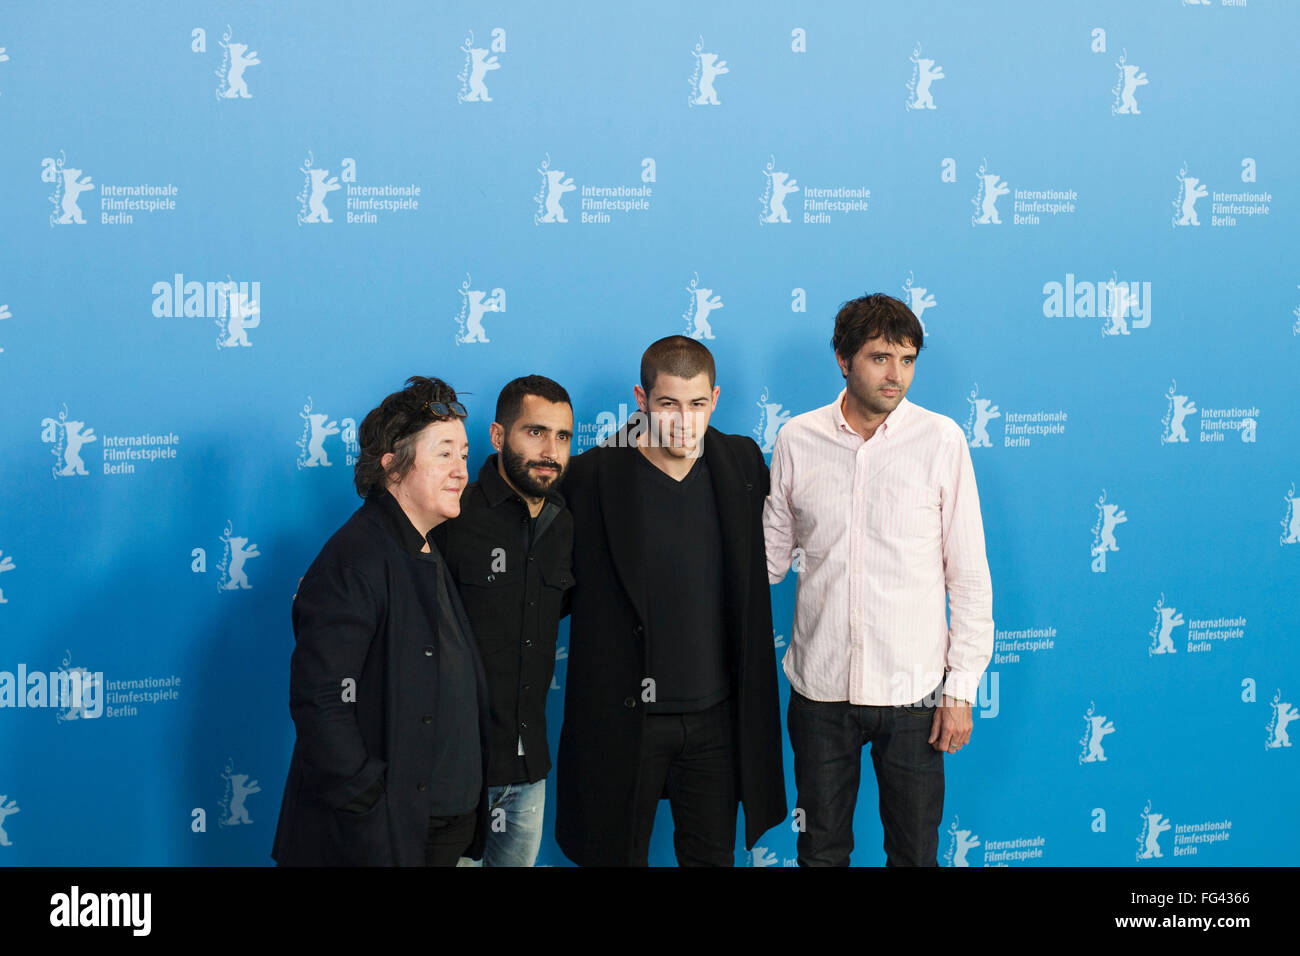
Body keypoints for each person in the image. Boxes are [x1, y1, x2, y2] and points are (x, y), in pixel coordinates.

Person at [763, 294, 994, 867]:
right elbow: (766, 562)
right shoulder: (796, 439)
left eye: (908, 360)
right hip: (819, 690)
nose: (896, 375)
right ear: (843, 359)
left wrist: (961, 689)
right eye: (880, 358)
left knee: (915, 856)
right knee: (819, 851)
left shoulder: (942, 441)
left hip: (914, 692)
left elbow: (967, 576)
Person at [555, 335, 786, 866]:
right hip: (625, 720)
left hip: (716, 720)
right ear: (641, 400)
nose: (684, 420)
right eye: (668, 404)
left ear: (716, 398)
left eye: (698, 404)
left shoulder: (742, 462)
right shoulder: (592, 476)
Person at [272, 376, 491, 867]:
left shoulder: (424, 545)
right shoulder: (357, 557)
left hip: (435, 832)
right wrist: (369, 801)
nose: (461, 470)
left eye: (463, 453)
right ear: (391, 464)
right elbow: (320, 698)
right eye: (444, 454)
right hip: (381, 839)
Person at [430, 375, 575, 867]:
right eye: (535, 432)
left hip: (530, 769)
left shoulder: (562, 520)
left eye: (562, 436)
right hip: (455, 773)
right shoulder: (452, 514)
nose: (550, 450)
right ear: (497, 436)